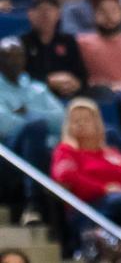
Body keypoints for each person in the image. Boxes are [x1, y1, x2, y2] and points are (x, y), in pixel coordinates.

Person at [0, 35, 64, 210]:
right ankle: (33, 202)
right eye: (8, 56)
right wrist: (38, 125)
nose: (14, 60)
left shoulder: (38, 89)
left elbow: (61, 119)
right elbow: (4, 125)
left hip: (43, 148)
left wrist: (29, 112)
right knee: (34, 128)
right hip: (9, 154)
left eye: (19, 55)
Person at [51, 97, 121, 202]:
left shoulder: (112, 153)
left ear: (97, 124)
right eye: (75, 121)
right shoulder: (65, 151)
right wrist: (103, 188)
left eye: (86, 120)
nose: (80, 124)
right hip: (90, 206)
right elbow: (66, 176)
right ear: (68, 126)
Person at [20, 0, 87, 99]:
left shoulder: (68, 41)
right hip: (33, 98)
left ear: (58, 14)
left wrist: (76, 83)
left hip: (69, 96)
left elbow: (82, 75)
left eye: (50, 10)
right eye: (40, 10)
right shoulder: (21, 43)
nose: (45, 15)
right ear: (30, 15)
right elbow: (18, 79)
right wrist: (47, 81)